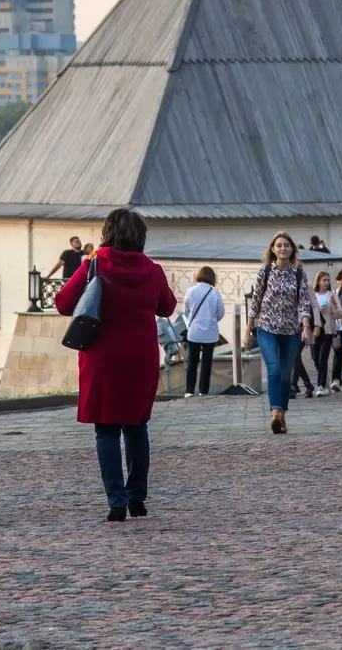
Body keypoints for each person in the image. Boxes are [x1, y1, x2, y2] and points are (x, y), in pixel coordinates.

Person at [56, 208, 176, 522]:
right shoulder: (152, 269)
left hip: (102, 357)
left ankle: (116, 500)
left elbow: (63, 304)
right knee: (136, 426)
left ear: (108, 233)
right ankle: (138, 497)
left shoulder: (95, 264)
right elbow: (167, 306)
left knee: (106, 429)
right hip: (140, 357)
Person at [247, 232, 315, 434]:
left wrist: (306, 324)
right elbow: (256, 300)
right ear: (273, 249)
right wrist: (248, 327)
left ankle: (282, 416)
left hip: (291, 330)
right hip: (267, 328)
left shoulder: (299, 274)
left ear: (292, 249)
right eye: (279, 245)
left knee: (286, 374)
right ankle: (275, 412)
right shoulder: (265, 271)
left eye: (286, 245)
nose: (283, 248)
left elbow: (303, 301)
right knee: (274, 370)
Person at [181, 266, 226, 397]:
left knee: (192, 363)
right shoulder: (215, 292)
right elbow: (221, 312)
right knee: (207, 363)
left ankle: (189, 390)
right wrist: (211, 320)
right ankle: (203, 391)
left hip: (194, 332)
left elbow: (186, 310)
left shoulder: (191, 290)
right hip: (210, 333)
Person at [311, 271, 342, 396]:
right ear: (318, 281)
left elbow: (340, 313)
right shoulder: (312, 295)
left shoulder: (332, 295)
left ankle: (320, 385)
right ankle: (324, 380)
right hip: (315, 329)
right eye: (324, 280)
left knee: (323, 357)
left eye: (328, 280)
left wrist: (332, 307)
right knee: (315, 358)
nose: (326, 283)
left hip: (328, 329)